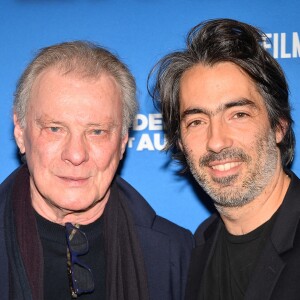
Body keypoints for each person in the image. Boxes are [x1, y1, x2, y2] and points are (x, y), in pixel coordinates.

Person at [0, 41, 194, 300]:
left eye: (97, 131)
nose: (76, 154)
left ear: (123, 141)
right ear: (20, 132)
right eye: (55, 128)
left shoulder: (175, 255)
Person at [149, 18, 300, 299]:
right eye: (196, 121)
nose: (216, 141)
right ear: (180, 141)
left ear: (278, 125)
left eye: (238, 115)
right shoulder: (197, 249)